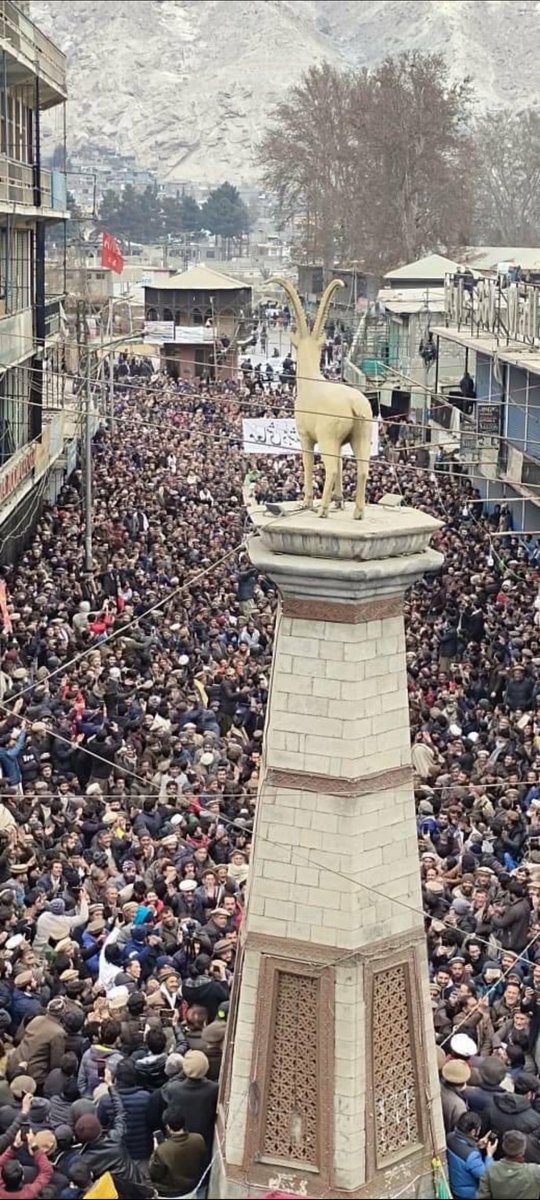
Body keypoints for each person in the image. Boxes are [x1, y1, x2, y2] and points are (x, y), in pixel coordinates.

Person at [148, 1108, 206, 1196]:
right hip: (192, 1187)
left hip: (169, 1192)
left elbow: (154, 1174)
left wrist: (155, 1151)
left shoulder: (162, 1150)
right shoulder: (198, 1139)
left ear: (167, 1127)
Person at [477, 1129, 540, 1198]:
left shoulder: (490, 1170)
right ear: (523, 1150)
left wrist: (489, 1156)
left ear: (503, 1147)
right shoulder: (535, 1171)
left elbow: (483, 1196)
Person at [446, 1111, 496, 1198]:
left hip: (456, 1187)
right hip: (469, 1195)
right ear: (473, 1131)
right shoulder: (472, 1157)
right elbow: (487, 1176)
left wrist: (476, 1145)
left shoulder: (449, 1137)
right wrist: (489, 1155)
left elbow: (462, 1147)